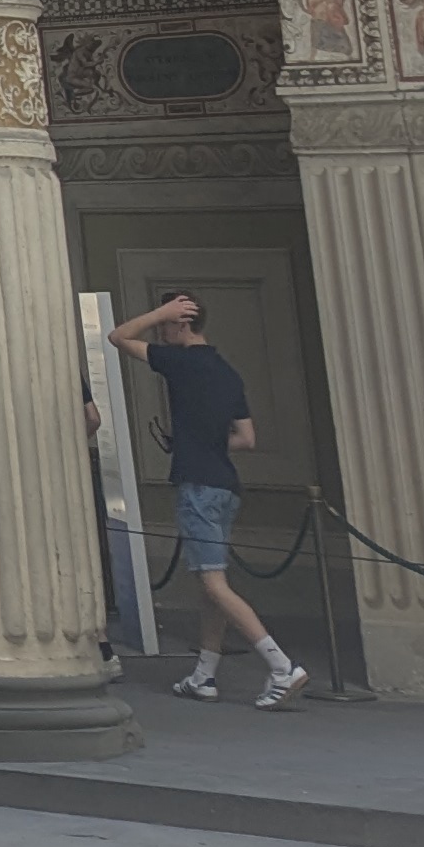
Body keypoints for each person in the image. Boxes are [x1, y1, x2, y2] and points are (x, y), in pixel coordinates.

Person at [112, 288, 307, 709]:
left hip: (198, 487)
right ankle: (204, 675)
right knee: (211, 585)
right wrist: (202, 442)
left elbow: (118, 337)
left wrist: (158, 311)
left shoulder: (180, 362)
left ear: (181, 322)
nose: (161, 331)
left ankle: (281, 666)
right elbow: (247, 438)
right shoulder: (227, 372)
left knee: (214, 585)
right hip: (225, 485)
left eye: (166, 323)